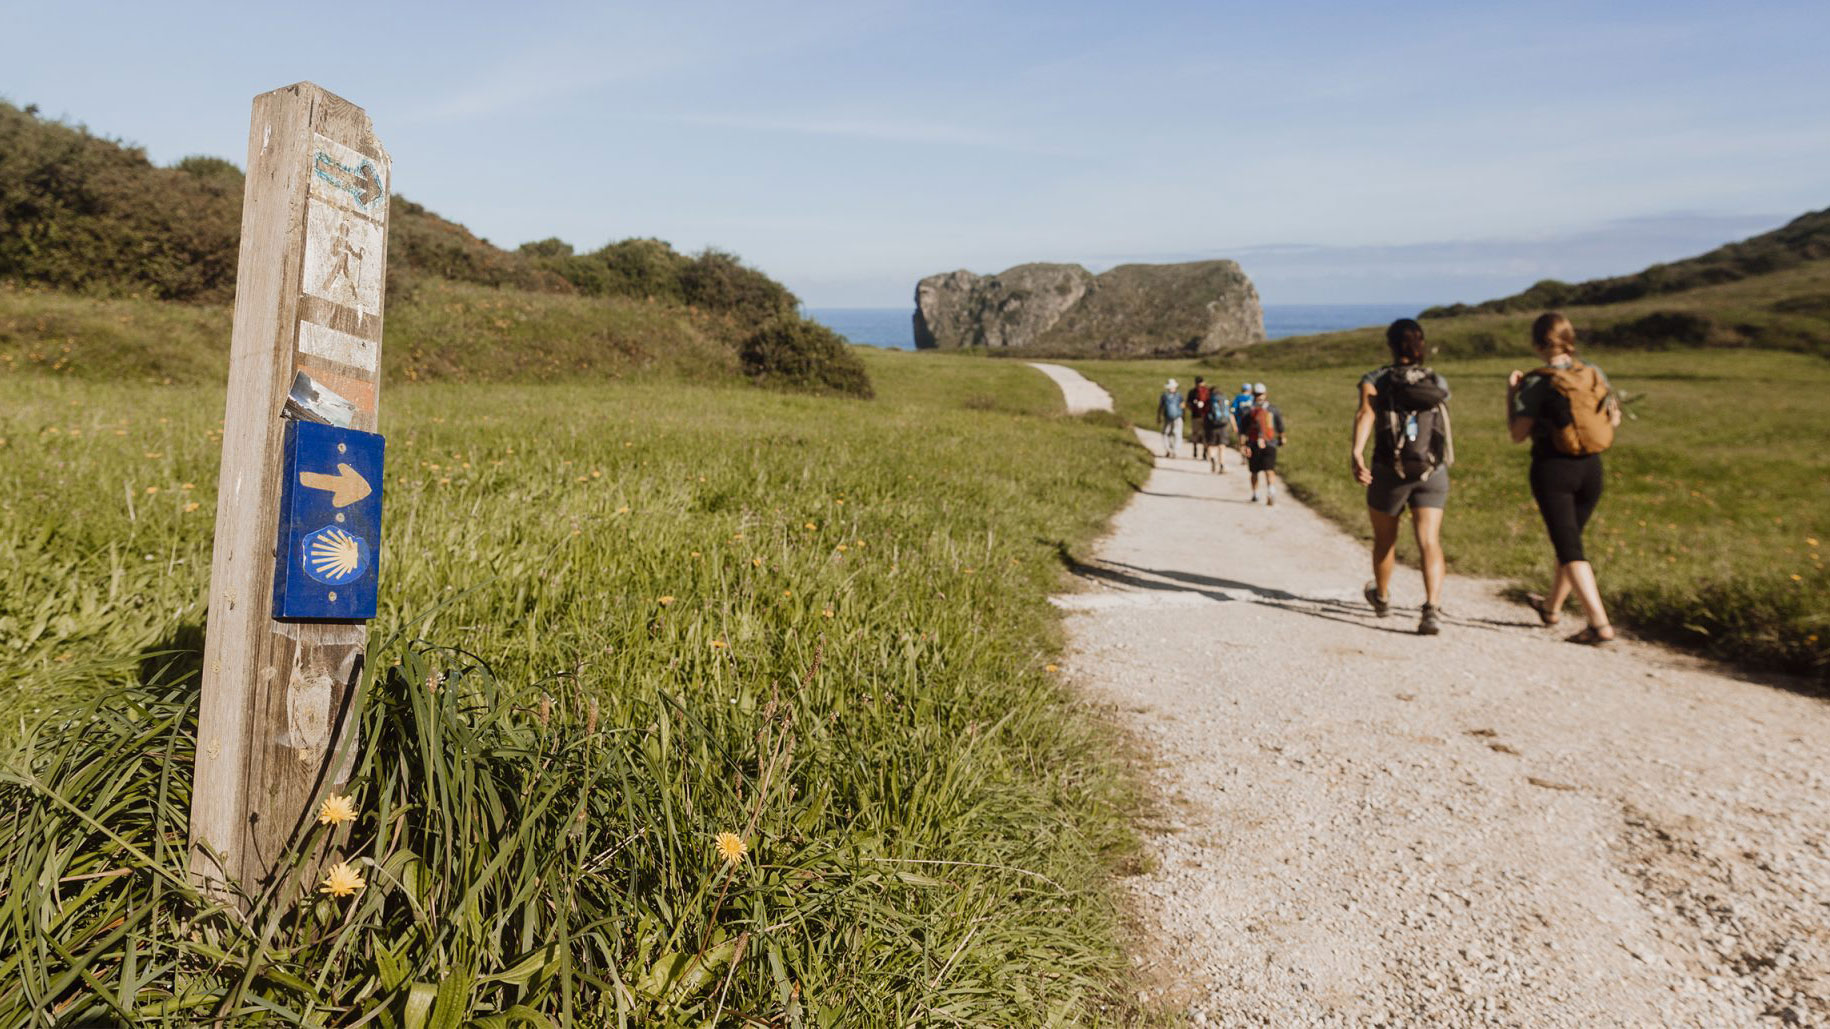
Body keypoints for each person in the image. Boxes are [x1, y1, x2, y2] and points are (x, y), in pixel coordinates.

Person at [1508, 312, 1622, 644]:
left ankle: (1599, 624)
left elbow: (1517, 434)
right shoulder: (1592, 372)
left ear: (1537, 342)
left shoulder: (1535, 382)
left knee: (1570, 547)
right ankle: (1551, 608)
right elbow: (1611, 420)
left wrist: (1510, 395)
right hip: (1592, 468)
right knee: (1568, 540)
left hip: (1553, 468)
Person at [1351, 318, 1453, 635]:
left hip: (1388, 470)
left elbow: (1366, 412)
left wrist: (1357, 451)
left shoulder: (1376, 379)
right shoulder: (1436, 381)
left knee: (1385, 539)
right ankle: (1431, 607)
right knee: (1429, 541)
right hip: (1431, 470)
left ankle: (1381, 597)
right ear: (1421, 345)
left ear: (1391, 345)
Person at [1237, 383, 1284, 504]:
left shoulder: (1248, 411)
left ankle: (1261, 493)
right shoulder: (1272, 409)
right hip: (1268, 443)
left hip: (1255, 444)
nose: (1258, 396)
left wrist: (1242, 445)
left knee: (1258, 471)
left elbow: (1242, 431)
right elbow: (1280, 426)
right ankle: (1266, 491)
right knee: (1265, 470)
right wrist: (1282, 438)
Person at [1203, 387, 1232, 473]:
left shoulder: (1209, 401)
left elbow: (1204, 413)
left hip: (1211, 426)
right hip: (1223, 426)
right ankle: (1222, 464)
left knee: (1211, 445)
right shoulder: (1224, 399)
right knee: (1221, 446)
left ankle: (1212, 459)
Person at [1187, 377, 1214, 460]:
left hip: (1195, 416)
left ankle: (1195, 451)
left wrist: (1193, 407)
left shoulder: (1192, 392)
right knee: (1204, 435)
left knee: (1195, 434)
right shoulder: (1208, 391)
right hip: (1205, 417)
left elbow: (1188, 404)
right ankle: (1204, 453)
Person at [1157, 378, 1185, 459]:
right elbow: (1183, 407)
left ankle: (1168, 450)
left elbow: (1160, 407)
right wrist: (1183, 417)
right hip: (1178, 417)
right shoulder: (1179, 396)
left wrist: (1158, 417)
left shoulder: (1164, 396)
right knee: (1177, 434)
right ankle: (1175, 450)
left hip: (1167, 417)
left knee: (1166, 433)